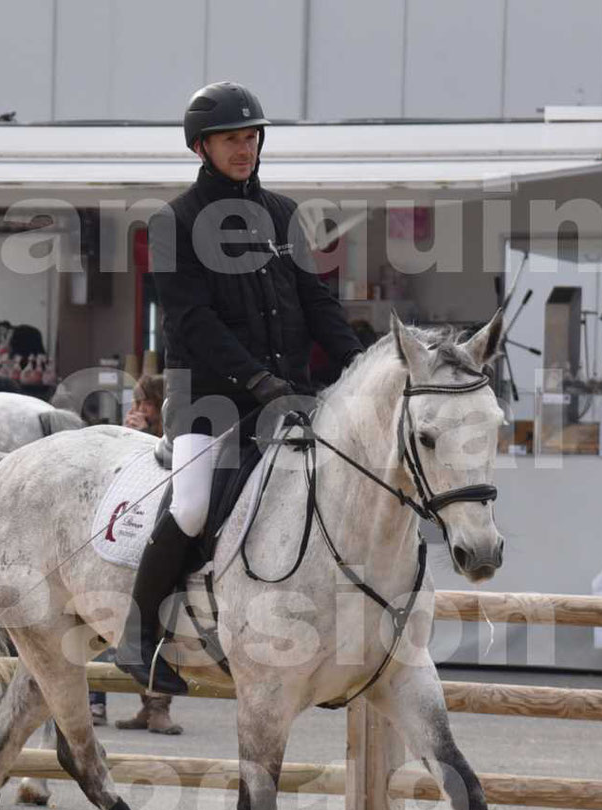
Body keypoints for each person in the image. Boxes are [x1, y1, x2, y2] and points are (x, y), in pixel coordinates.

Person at [114, 82, 363, 694]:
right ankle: (137, 635)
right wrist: (255, 378)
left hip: (286, 397)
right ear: (202, 147)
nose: (245, 148)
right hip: (210, 400)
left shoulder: (283, 214)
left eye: (252, 137)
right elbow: (191, 320)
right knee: (195, 505)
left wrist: (363, 363)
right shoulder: (174, 221)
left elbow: (315, 300)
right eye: (232, 138)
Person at [109, 374, 182, 734]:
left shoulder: (175, 437)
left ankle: (159, 706)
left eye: (144, 404)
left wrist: (145, 437)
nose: (138, 410)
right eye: (135, 404)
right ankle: (145, 705)